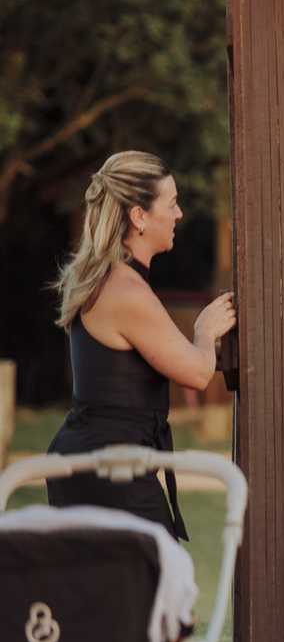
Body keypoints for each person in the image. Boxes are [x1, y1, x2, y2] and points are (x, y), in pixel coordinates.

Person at [46, 151, 237, 541]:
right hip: (111, 470)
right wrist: (204, 331)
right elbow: (197, 373)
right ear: (139, 217)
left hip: (94, 461)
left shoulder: (109, 279)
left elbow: (162, 360)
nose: (179, 214)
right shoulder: (127, 290)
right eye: (171, 204)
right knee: (156, 592)